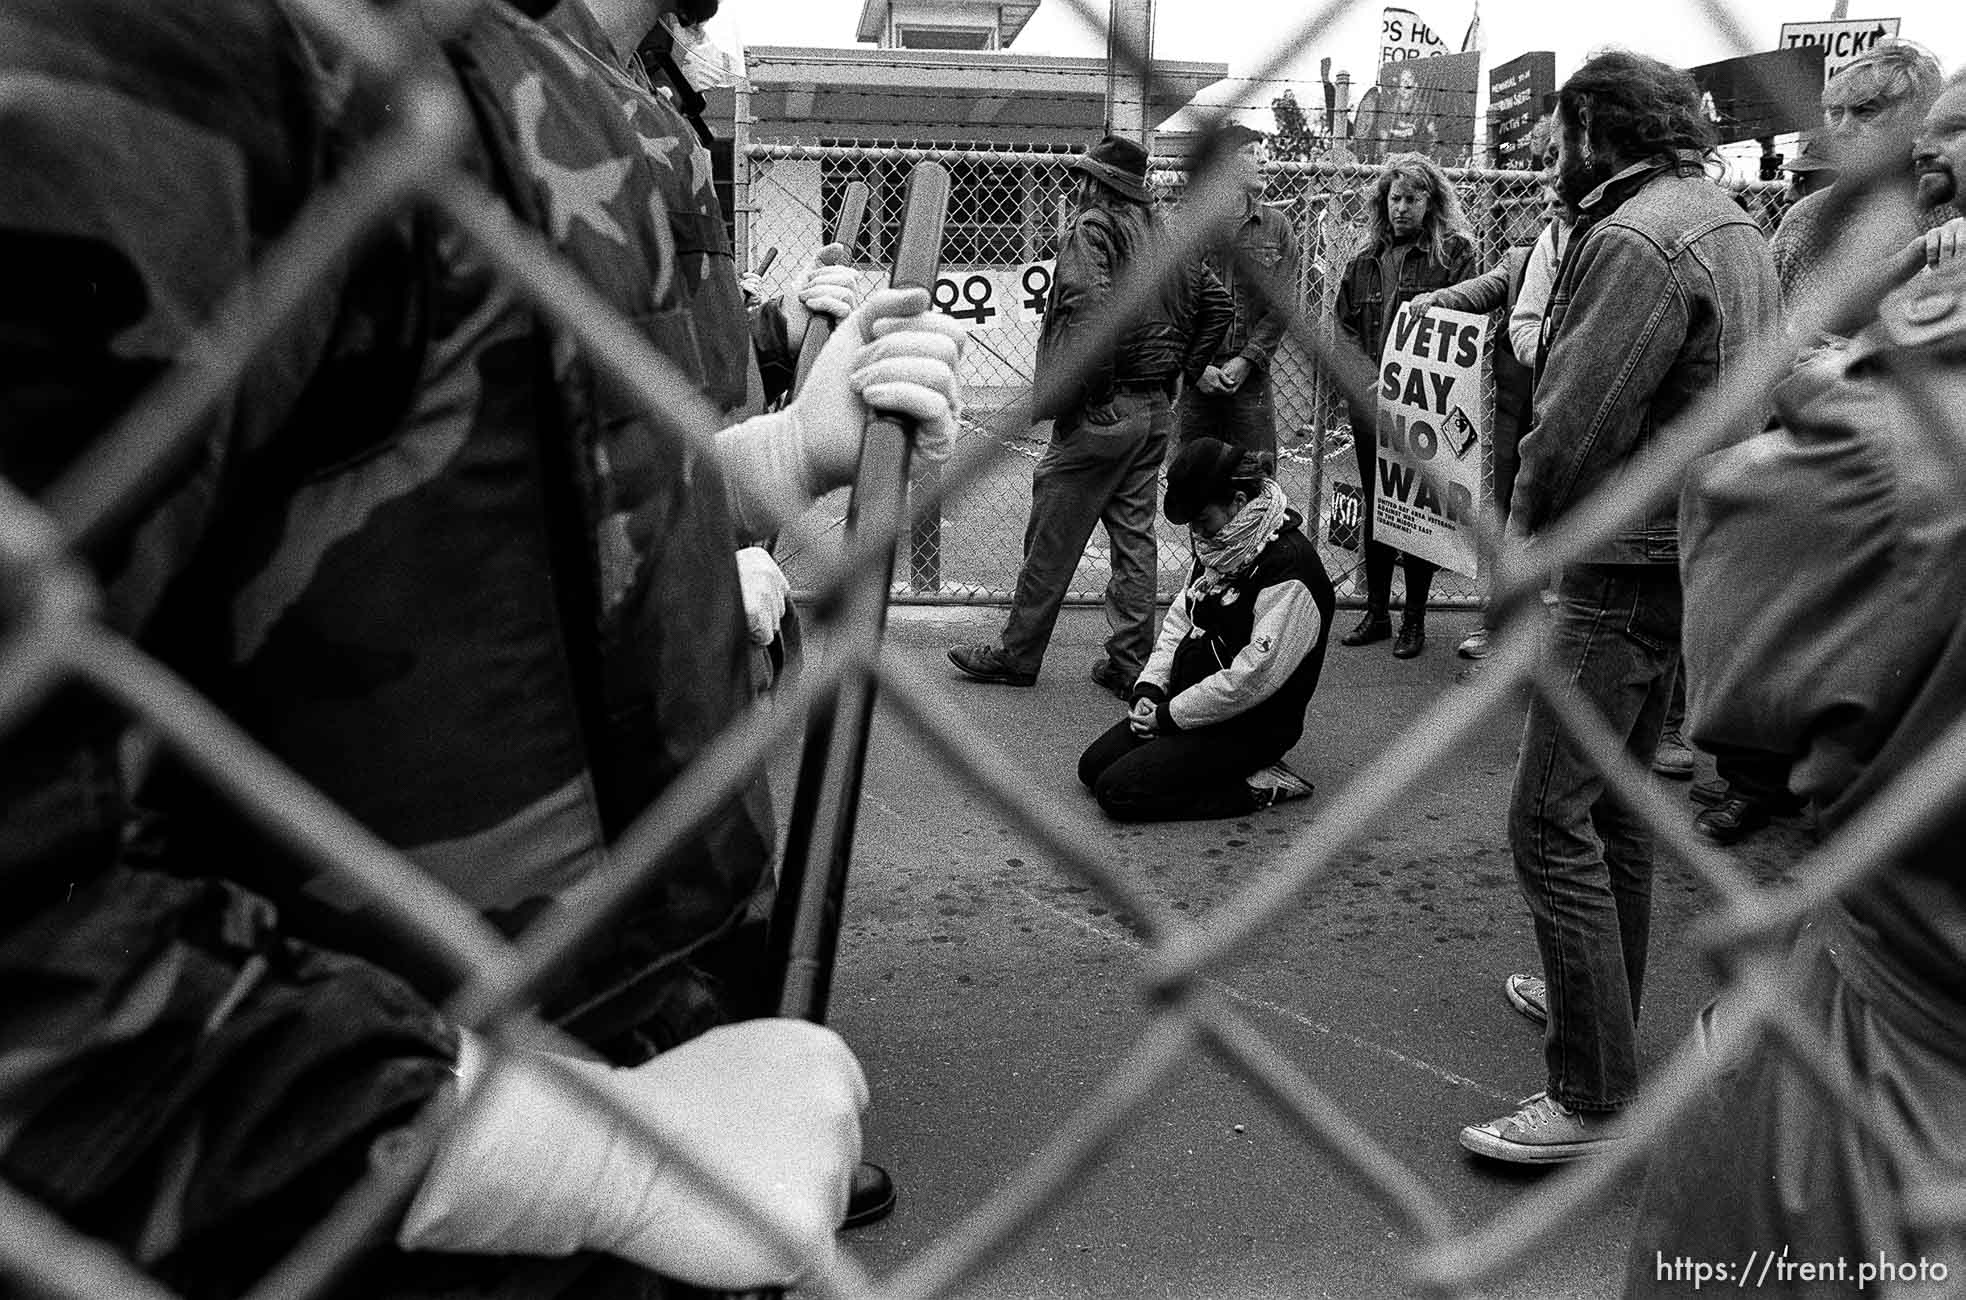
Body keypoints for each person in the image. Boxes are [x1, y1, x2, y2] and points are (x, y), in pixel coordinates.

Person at [0, 0, 963, 1293]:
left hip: (618, 1094)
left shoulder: (545, 68)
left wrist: (772, 459)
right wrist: (579, 1158)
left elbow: (482, 499)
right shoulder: (168, 38)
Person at [1622, 82, 1966, 1286]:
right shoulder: (1788, 231)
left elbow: (1738, 665)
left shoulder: (1889, 408)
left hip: (1902, 1033)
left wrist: (1858, 352)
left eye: (1927, 172)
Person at [1459, 51, 1778, 1165]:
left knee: (1547, 815)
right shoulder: (1725, 217)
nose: (1548, 161)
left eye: (1557, 139)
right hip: (1696, 548)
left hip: (1621, 561)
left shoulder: (1635, 235)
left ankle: (1590, 1090)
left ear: (1595, 130)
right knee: (1617, 804)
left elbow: (1574, 421)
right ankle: (1591, 1003)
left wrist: (1519, 533)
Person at [1693, 40, 1946, 848]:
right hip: (1801, 437)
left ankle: (1859, 784)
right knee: (1779, 612)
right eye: (1832, 111)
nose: (1840, 128)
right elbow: (1766, 321)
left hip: (1913, 460)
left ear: (1921, 118)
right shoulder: (1808, 216)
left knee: (1885, 630)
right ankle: (1754, 780)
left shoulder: (1947, 222)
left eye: (1865, 112)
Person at [948, 135, 1230, 698]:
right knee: (1135, 539)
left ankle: (1018, 653)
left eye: (1084, 177)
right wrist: (1177, 374)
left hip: (1103, 411)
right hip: (1153, 411)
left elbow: (1091, 309)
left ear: (1096, 182)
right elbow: (1218, 305)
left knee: (1052, 536)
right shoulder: (1168, 231)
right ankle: (1132, 662)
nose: (1077, 186)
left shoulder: (1094, 228)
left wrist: (1096, 390)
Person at [1078, 439, 1332, 821]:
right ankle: (1190, 757)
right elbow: (1182, 619)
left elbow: (1251, 679)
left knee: (1118, 793)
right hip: (1193, 703)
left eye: (1203, 520)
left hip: (1250, 724)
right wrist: (1151, 689)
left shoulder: (1289, 572)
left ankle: (1258, 784)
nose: (1198, 534)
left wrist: (1168, 716)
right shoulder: (1224, 543)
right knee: (1093, 768)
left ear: (1238, 500)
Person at [1404, 117, 1564, 661]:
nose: (1545, 212)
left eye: (1552, 204)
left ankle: (1551, 632)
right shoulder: (1525, 259)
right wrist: (1439, 300)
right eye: (1540, 205)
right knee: (1507, 519)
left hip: (1569, 412)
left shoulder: (1604, 251)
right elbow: (1487, 288)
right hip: (1519, 411)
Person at [1332, 152, 1477, 659]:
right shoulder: (1364, 260)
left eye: (1413, 199)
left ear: (1431, 203)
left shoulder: (1453, 256)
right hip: (1371, 405)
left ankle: (1413, 619)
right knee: (1378, 503)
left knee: (1417, 508)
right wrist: (1369, 379)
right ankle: (1376, 611)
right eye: (1395, 198)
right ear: (1383, 202)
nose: (1402, 208)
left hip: (1423, 407)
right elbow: (1343, 330)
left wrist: (1400, 379)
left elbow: (1464, 319)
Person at [1175, 124, 1303, 470]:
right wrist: (1197, 367)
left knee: (1256, 478)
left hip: (1250, 378)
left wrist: (1246, 361)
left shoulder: (1276, 227)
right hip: (1196, 378)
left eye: (1263, 152)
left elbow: (1283, 306)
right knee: (1197, 483)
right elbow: (1170, 306)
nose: (1263, 160)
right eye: (1250, 152)